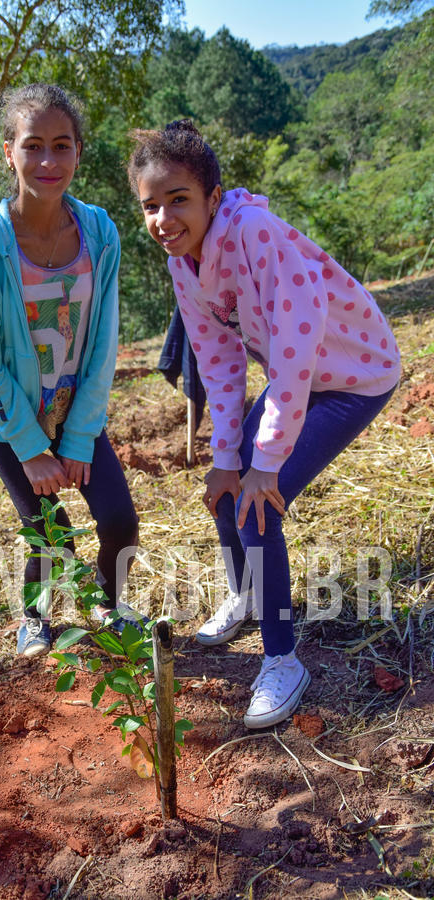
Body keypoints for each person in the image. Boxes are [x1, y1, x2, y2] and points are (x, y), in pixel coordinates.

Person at [127, 120, 401, 728]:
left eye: (178, 200)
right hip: (294, 376)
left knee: (260, 502)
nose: (164, 219)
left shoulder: (255, 232)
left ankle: (282, 659)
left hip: (352, 374)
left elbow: (297, 351)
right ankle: (247, 595)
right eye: (150, 206)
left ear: (213, 198)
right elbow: (219, 362)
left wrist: (265, 460)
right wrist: (227, 457)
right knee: (228, 490)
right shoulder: (183, 263)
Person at [0, 83, 141, 658]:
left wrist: (79, 436)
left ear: (79, 151)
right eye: (33, 146)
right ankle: (34, 615)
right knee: (50, 532)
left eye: (62, 145)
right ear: (8, 152)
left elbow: (104, 340)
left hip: (74, 407)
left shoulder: (99, 234)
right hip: (9, 421)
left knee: (119, 522)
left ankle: (109, 605)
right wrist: (32, 447)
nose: (48, 161)